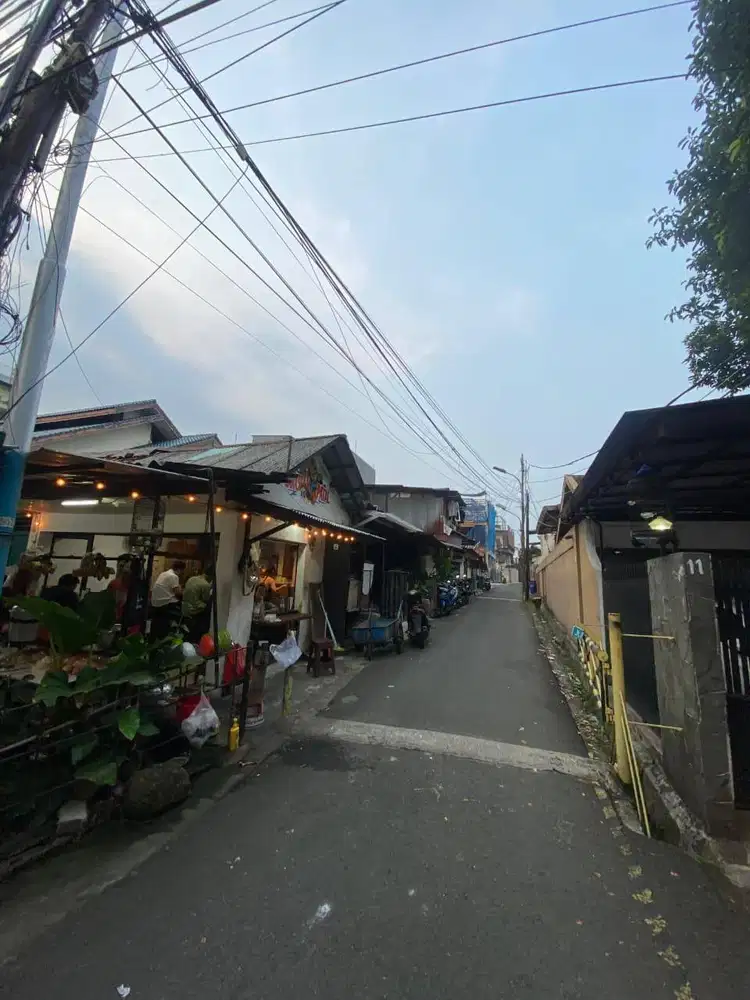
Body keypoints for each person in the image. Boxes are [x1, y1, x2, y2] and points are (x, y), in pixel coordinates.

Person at [149, 560, 185, 640]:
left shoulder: (163, 573)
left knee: (156, 624)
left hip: (155, 604)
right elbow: (178, 593)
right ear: (180, 569)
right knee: (184, 612)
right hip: (165, 605)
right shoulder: (174, 576)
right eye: (182, 571)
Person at [182, 565, 213, 643]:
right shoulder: (206, 585)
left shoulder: (191, 578)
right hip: (193, 610)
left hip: (184, 608)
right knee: (209, 609)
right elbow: (206, 599)